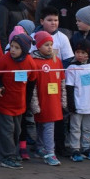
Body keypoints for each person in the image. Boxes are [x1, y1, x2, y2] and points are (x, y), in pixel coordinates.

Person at [0, 32, 35, 169]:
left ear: (25, 50)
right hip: (4, 103)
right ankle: (7, 156)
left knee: (17, 130)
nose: (13, 50)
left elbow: (32, 81)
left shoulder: (30, 62)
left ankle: (11, 153)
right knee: (7, 129)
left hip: (19, 103)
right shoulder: (4, 59)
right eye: (12, 46)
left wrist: (27, 102)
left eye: (17, 48)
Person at [29, 30, 63, 166]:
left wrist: (63, 100)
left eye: (51, 44)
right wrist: (35, 104)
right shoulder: (34, 62)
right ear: (38, 46)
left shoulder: (57, 61)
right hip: (43, 100)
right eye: (46, 45)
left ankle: (41, 148)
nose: (50, 47)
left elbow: (62, 82)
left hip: (54, 100)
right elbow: (33, 86)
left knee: (46, 125)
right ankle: (50, 153)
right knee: (45, 125)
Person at [64, 41, 90, 161]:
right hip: (78, 105)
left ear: (88, 54)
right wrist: (71, 104)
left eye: (83, 52)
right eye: (77, 52)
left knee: (88, 128)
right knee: (75, 128)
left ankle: (86, 148)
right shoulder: (71, 68)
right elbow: (69, 88)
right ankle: (75, 149)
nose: (79, 55)